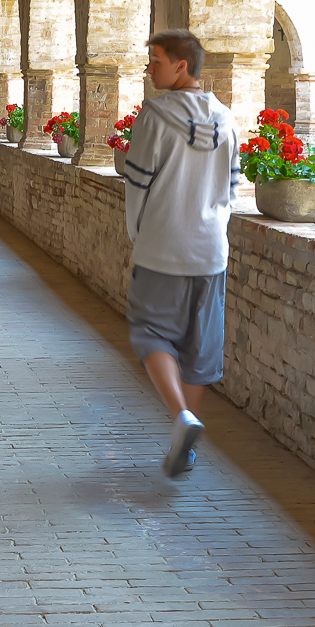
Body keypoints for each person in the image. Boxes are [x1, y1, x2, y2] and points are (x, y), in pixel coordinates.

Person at [120, 29, 239, 478]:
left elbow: (138, 183)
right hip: (211, 251)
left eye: (155, 59)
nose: (149, 67)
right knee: (199, 348)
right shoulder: (226, 118)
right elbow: (230, 188)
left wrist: (138, 233)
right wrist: (215, 232)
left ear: (181, 66)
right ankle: (184, 449)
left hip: (163, 247)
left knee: (150, 332)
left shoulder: (153, 115)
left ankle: (181, 418)